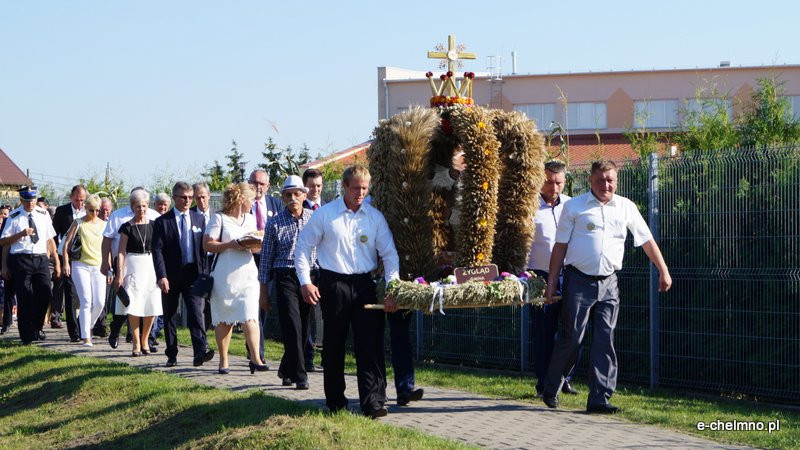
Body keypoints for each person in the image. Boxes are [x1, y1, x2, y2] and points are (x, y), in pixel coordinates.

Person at [542, 160, 672, 414]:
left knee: (605, 339)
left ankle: (599, 399)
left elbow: (646, 240)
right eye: (601, 180)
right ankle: (552, 386)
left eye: (610, 180)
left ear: (617, 181)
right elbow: (560, 247)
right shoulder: (574, 206)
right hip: (578, 280)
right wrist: (551, 283)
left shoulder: (626, 207)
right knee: (572, 337)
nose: (606, 184)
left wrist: (663, 270)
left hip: (609, 282)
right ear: (590, 180)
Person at [296, 165, 400, 419]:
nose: (360, 193)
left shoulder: (374, 217)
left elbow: (390, 254)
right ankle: (335, 401)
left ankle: (373, 402)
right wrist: (305, 282)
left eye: (364, 188)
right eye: (355, 188)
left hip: (365, 284)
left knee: (370, 343)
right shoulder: (326, 215)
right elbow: (303, 247)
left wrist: (392, 288)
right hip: (334, 284)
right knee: (334, 343)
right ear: (344, 186)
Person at [204, 182, 268, 375]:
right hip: (225, 274)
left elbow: (254, 247)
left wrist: (256, 244)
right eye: (251, 200)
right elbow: (207, 245)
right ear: (241, 199)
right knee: (225, 319)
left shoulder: (250, 219)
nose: (253, 204)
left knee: (250, 314)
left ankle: (256, 358)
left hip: (247, 274)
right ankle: (224, 360)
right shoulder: (219, 218)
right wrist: (230, 244)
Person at [259, 175, 315, 390]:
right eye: (288, 195)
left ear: (304, 195)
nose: (293, 198)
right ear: (282, 197)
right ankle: (300, 375)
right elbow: (266, 260)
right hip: (285, 276)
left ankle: (286, 368)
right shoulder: (274, 223)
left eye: (297, 194)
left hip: (309, 277)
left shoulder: (314, 219)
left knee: (304, 327)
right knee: (292, 325)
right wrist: (263, 292)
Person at [528, 160, 578, 397]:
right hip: (540, 275)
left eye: (558, 183)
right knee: (544, 331)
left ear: (565, 181)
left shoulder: (571, 205)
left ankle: (564, 378)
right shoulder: (529, 207)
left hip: (570, 274)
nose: (554, 188)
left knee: (573, 329)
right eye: (549, 182)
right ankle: (543, 383)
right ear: (540, 180)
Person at [152, 181, 214, 368]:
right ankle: (171, 353)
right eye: (183, 197)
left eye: (190, 197)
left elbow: (203, 249)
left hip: (193, 274)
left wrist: (205, 273)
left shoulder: (198, 219)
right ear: (174, 198)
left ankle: (200, 351)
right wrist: (161, 276)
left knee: (196, 312)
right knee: (170, 314)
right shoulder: (163, 221)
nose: (187, 201)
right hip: (171, 275)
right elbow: (157, 251)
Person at [100, 187, 161, 349]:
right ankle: (128, 337)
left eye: (144, 205)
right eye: (138, 206)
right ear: (132, 205)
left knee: (150, 303)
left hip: (150, 266)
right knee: (130, 303)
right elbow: (109, 241)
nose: (141, 209)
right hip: (129, 265)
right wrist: (107, 264)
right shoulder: (120, 219)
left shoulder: (155, 219)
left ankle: (146, 340)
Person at [0, 185, 61, 344]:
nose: (30, 204)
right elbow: (4, 242)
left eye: (33, 200)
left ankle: (37, 327)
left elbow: (49, 239)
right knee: (25, 297)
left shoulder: (43, 214)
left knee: (45, 293)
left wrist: (57, 261)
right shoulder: (13, 216)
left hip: (41, 258)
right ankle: (26, 335)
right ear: (21, 200)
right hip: (21, 259)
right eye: (27, 201)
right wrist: (21, 234)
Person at [62, 194, 109, 347]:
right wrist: (66, 263)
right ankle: (86, 337)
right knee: (86, 300)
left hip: (99, 266)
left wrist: (109, 268)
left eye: (97, 210)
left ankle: (87, 324)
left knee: (100, 302)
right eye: (91, 210)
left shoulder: (104, 225)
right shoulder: (78, 223)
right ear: (85, 208)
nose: (94, 213)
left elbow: (107, 249)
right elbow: (66, 244)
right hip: (80, 265)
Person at [248, 169, 283, 364]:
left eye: (261, 183)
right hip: (249, 259)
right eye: (254, 182)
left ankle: (255, 347)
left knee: (264, 304)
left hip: (269, 260)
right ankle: (257, 352)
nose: (258, 187)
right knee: (250, 303)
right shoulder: (243, 204)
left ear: (268, 186)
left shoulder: (275, 204)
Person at [51, 185, 87, 340]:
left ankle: (86, 325)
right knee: (70, 294)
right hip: (67, 257)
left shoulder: (89, 211)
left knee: (85, 295)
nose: (80, 203)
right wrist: (57, 257)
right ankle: (74, 332)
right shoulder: (62, 211)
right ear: (71, 197)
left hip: (85, 258)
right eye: (77, 200)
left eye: (82, 200)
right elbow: (54, 234)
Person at [301, 168, 324, 371]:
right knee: (307, 315)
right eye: (311, 186)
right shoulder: (300, 209)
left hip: (327, 267)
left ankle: (328, 355)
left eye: (318, 186)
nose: (315, 190)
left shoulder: (329, 208)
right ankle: (307, 357)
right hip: (308, 268)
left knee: (328, 314)